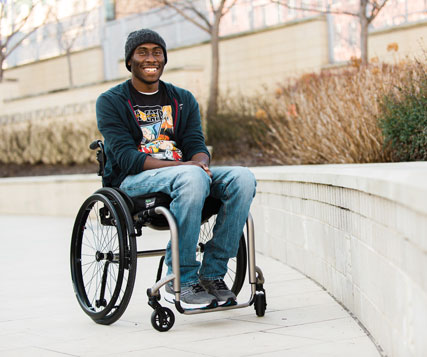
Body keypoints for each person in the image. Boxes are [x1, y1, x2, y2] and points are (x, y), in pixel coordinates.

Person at [96, 28, 256, 309]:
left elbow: (196, 144)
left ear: (164, 59)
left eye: (157, 52)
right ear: (130, 61)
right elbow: (126, 158)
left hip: (186, 175)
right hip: (134, 180)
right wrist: (187, 168)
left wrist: (200, 163)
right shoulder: (111, 101)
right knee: (191, 175)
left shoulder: (182, 99)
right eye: (142, 52)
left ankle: (213, 274)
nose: (151, 58)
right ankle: (179, 276)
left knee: (242, 178)